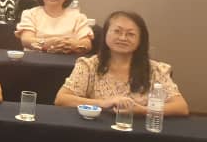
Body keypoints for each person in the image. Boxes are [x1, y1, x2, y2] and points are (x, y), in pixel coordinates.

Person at [54, 11, 189, 116]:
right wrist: (103, 103)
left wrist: (142, 111)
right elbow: (62, 99)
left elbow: (181, 107)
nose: (123, 38)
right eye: (117, 31)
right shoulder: (88, 66)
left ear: (141, 40)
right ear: (106, 34)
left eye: (130, 34)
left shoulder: (155, 70)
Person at [16, 0, 92, 54]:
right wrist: (45, 43)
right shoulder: (30, 14)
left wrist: (70, 45)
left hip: (68, 59)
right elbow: (26, 40)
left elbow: (87, 44)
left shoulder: (78, 17)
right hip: (36, 58)